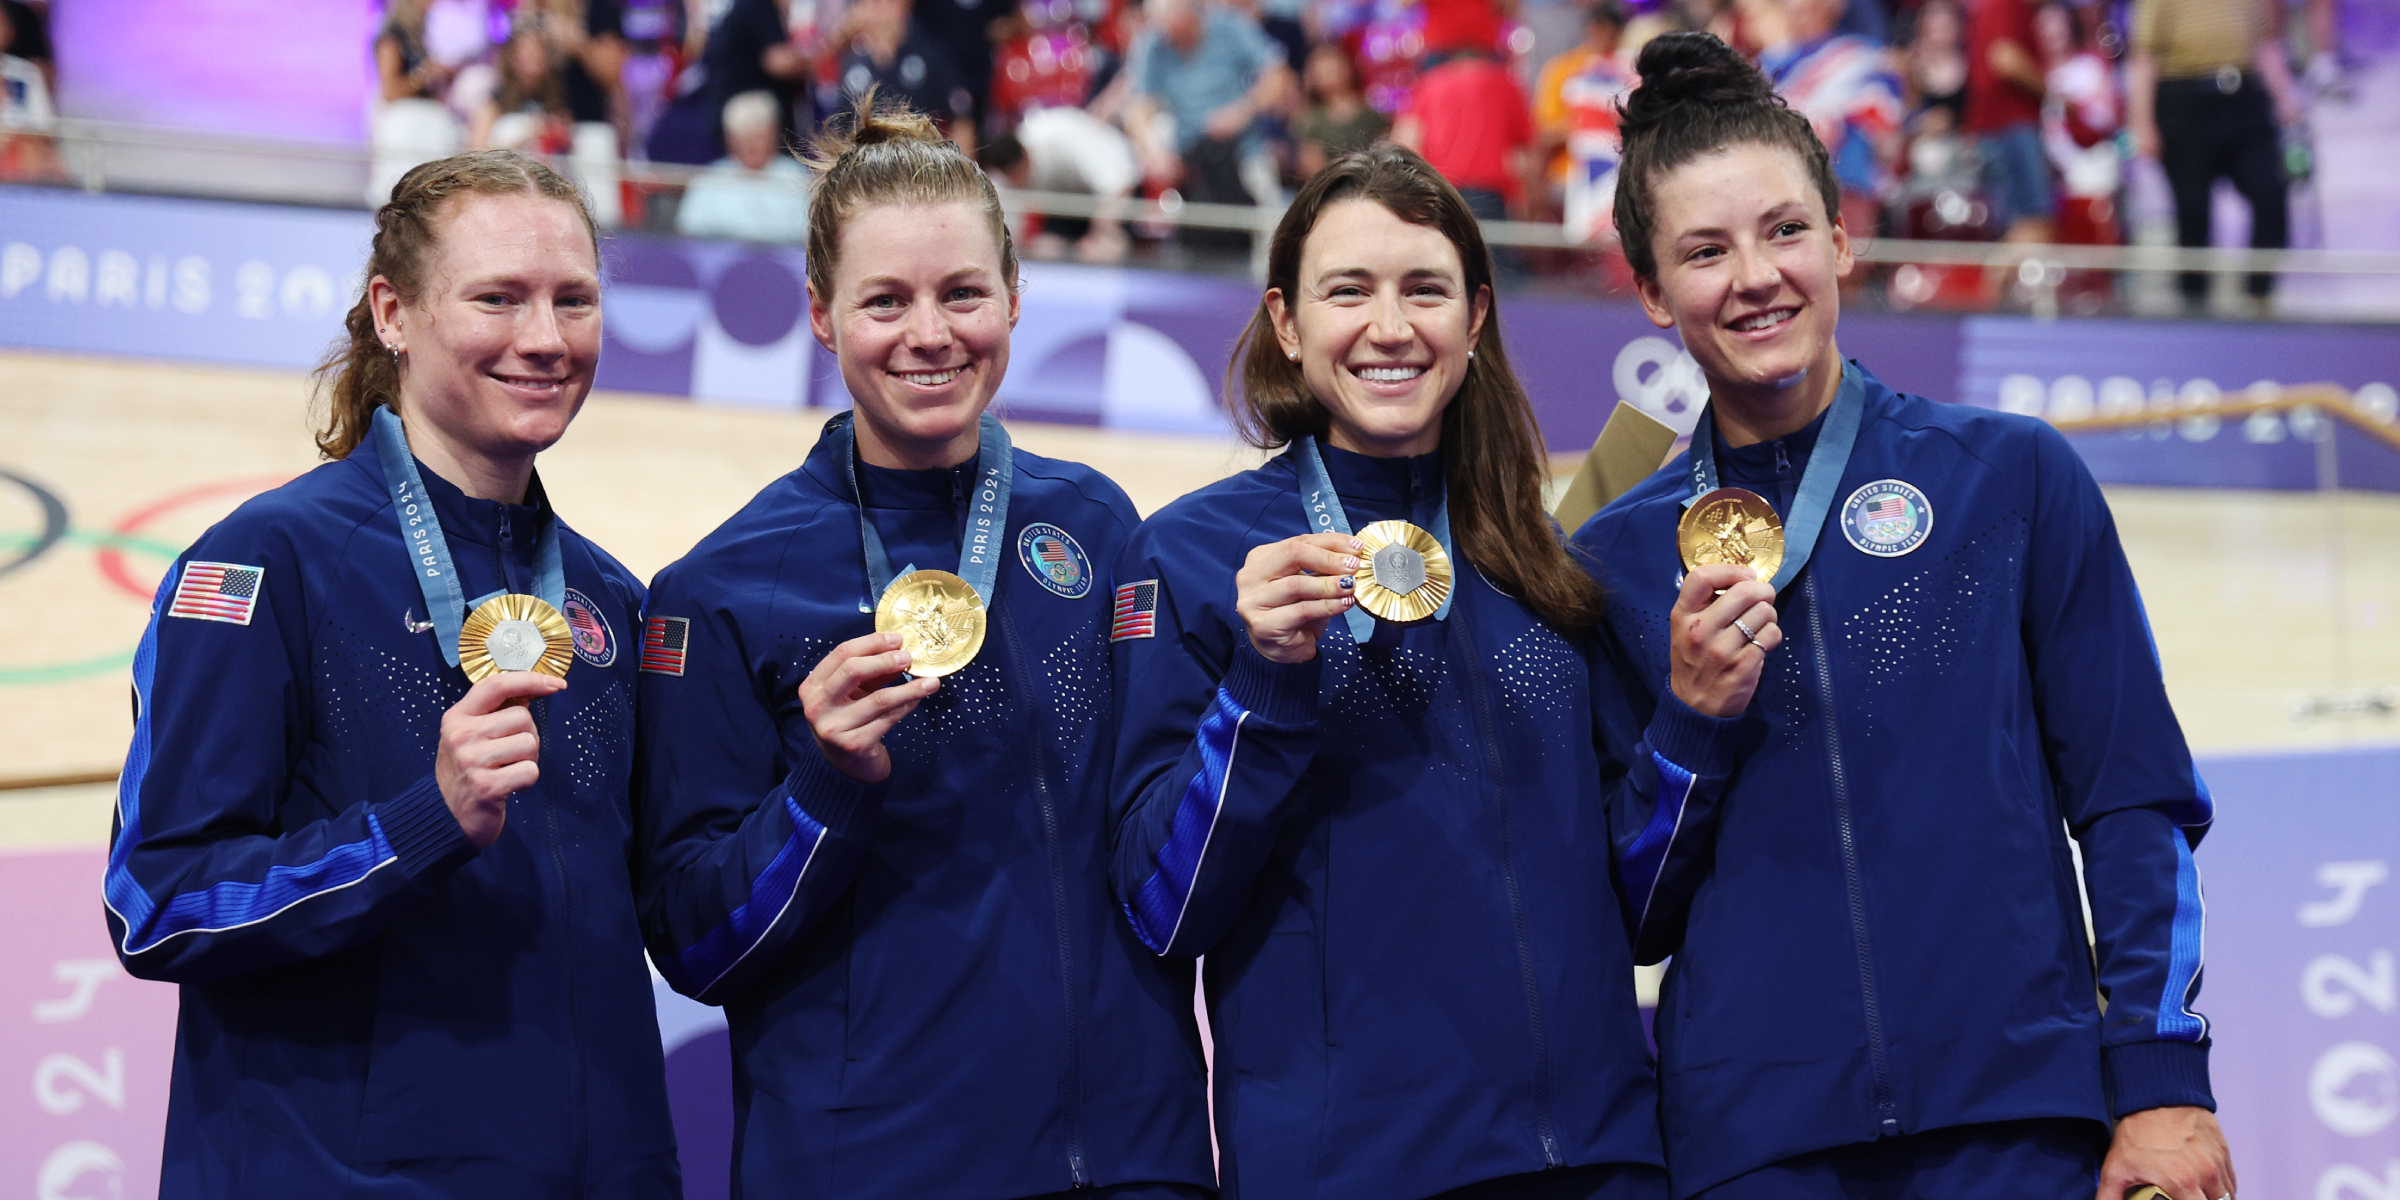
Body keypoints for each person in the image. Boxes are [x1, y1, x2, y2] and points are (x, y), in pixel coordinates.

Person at [1572, 32, 2233, 1200]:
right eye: (1706, 250)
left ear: (1842, 238)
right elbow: (1624, 915)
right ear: (1653, 292)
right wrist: (1687, 724)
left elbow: (2132, 798)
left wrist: (2163, 1075)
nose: (1756, 276)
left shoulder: (2011, 478)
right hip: (1754, 1144)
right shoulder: (1616, 560)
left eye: (1784, 231)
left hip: (2019, 1117)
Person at [632, 102, 1215, 1200]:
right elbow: (694, 945)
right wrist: (821, 787)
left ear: (1014, 298)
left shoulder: (1095, 527)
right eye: (885, 301)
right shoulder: (725, 588)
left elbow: (1159, 845)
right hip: (872, 1168)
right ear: (819, 312)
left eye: (962, 294)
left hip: (1129, 1159)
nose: (931, 334)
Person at [103, 150, 680, 1196]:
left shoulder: (609, 600)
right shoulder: (265, 566)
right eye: (497, 298)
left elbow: (673, 903)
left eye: (573, 300)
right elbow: (159, 902)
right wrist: (420, 825)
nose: (544, 339)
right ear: (395, 313)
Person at [1111, 143, 1669, 1200]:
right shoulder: (1194, 556)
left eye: (1425, 289)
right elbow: (1162, 908)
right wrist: (1261, 688)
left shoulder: (1542, 558)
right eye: (1348, 291)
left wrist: (1695, 716)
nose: (1391, 325)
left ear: (1476, 316)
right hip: (1349, 1167)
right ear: (1287, 322)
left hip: (1595, 1158)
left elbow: (1631, 883)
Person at [2125, 0, 2298, 310]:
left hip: (2244, 96)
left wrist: (2286, 97)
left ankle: (2259, 297)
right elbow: (2144, 55)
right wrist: (2141, 122)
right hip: (2184, 100)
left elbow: (2265, 43)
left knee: (2270, 195)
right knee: (2193, 213)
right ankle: (2195, 306)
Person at [1126, 0, 1294, 228]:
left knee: (1269, 222)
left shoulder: (1229, 27)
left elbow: (1277, 73)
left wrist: (1241, 111)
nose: (1166, 32)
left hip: (1243, 151)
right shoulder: (1153, 42)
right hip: (1191, 161)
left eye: (1172, 22)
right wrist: (1153, 151)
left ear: (1191, 14)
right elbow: (1139, 107)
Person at [1753, 0, 1903, 235]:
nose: (1801, 12)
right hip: (1781, 187)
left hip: (1848, 188)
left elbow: (1888, 135)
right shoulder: (1767, 65)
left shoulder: (1863, 58)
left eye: (1812, 6)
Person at [976, 105, 1142, 262]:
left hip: (1121, 180)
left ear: (1025, 157)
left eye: (1018, 175)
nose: (1016, 182)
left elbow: (1120, 181)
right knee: (1047, 248)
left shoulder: (1060, 137)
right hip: (1070, 198)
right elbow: (1011, 235)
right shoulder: (1005, 171)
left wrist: (1103, 229)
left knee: (1107, 247)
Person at [1531, 0, 1633, 238]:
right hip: (1568, 178)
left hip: (1622, 177)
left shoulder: (1630, 70)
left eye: (1613, 30)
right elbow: (1544, 134)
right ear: (1590, 29)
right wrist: (1591, 124)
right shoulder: (1563, 70)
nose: (1606, 36)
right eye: (1601, 28)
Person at [1391, 49, 1531, 221]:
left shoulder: (1429, 83)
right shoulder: (1505, 83)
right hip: (1489, 196)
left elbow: (1406, 141)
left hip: (1439, 192)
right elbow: (1524, 150)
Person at [830, 0, 979, 150]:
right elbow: (840, 131)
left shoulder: (929, 55)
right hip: (868, 164)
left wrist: (954, 167)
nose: (879, 11)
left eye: (888, 3)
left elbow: (962, 118)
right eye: (872, 3)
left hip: (922, 160)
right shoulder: (852, 62)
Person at [1963, 0, 2052, 241]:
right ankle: (1994, 279)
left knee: (2010, 226)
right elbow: (2006, 59)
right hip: (2012, 128)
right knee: (2033, 221)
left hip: (1997, 130)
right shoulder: (2008, 4)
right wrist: (2054, 95)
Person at [676, 88, 813, 241]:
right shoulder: (708, 180)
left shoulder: (797, 177)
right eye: (743, 137)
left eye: (759, 136)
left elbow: (808, 237)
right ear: (728, 140)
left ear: (775, 135)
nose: (751, 145)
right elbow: (690, 236)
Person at [1292, 41, 1390, 182]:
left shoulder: (1372, 114)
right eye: (1323, 71)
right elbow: (1311, 164)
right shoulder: (1309, 120)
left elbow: (1385, 153)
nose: (1329, 74)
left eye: (1332, 68)